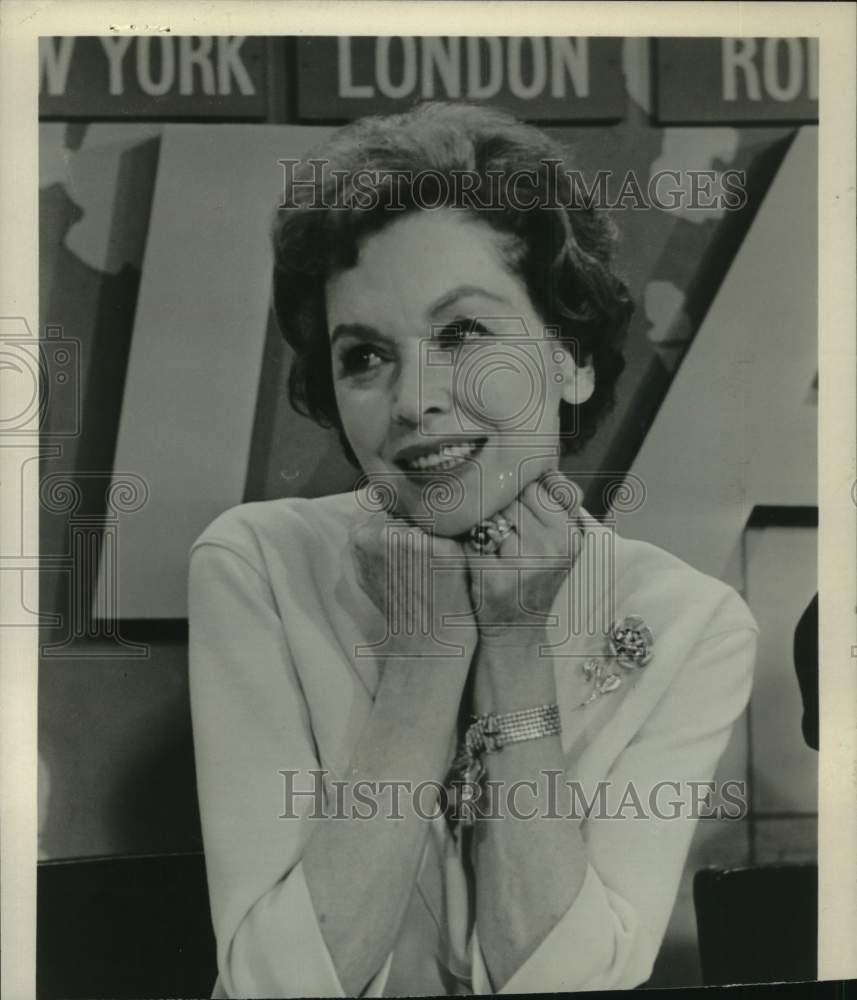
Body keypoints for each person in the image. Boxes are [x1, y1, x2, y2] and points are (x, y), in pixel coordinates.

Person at [188, 102, 759, 997]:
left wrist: (516, 646)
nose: (414, 399)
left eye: (461, 335)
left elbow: (573, 984)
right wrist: (426, 656)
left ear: (569, 358)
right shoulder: (257, 566)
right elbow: (277, 987)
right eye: (365, 356)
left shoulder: (690, 623)